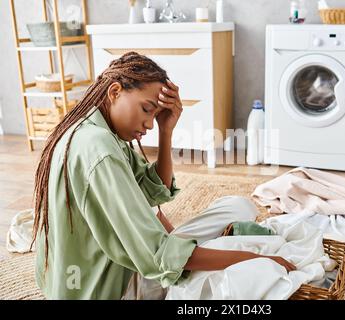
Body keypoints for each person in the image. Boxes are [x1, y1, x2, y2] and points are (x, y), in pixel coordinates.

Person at [31, 52, 296, 299]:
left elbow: (151, 192)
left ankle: (217, 249)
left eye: (155, 115)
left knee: (239, 206)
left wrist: (165, 131)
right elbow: (157, 256)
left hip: (105, 267)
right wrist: (252, 260)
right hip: (110, 287)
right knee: (243, 265)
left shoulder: (95, 127)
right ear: (115, 92)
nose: (149, 123)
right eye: (147, 109)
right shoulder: (99, 149)